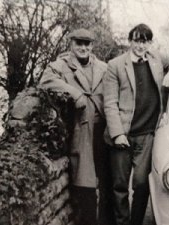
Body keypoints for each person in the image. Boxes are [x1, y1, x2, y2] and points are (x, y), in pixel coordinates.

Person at [103, 23, 169, 225]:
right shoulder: (115, 65)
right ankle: (122, 222)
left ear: (150, 43)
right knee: (119, 186)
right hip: (123, 134)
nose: (140, 46)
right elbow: (109, 103)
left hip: (147, 134)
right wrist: (118, 134)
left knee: (142, 184)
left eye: (145, 41)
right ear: (130, 41)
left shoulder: (156, 59)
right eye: (136, 40)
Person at [40, 28, 114, 225]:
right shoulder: (60, 65)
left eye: (87, 44)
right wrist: (75, 93)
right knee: (84, 183)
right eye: (78, 43)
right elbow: (46, 81)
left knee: (108, 178)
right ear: (71, 44)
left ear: (92, 46)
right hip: (81, 130)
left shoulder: (103, 67)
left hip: (104, 129)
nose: (83, 48)